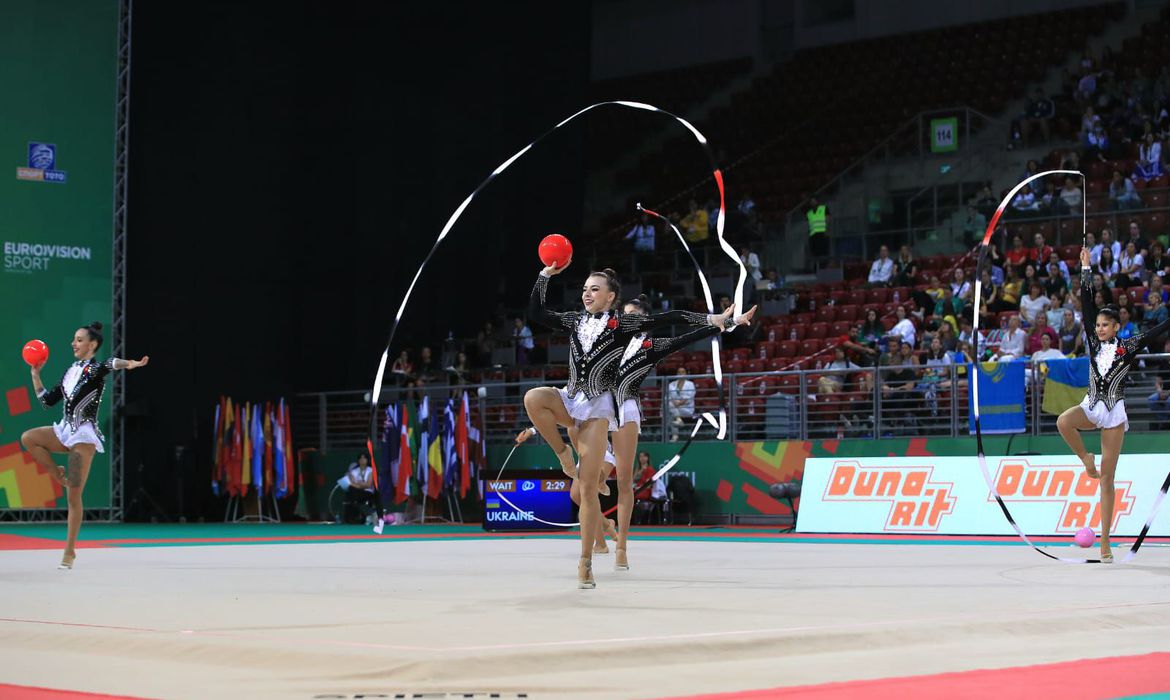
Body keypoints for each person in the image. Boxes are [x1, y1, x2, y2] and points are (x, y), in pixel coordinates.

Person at [524, 261, 750, 588]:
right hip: (570, 396)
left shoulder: (622, 325)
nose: (587, 293)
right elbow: (537, 313)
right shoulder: (574, 320)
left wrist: (715, 321)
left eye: (595, 289)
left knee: (587, 489)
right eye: (585, 288)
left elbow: (672, 318)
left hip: (601, 409)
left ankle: (588, 559)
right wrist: (544, 275)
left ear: (611, 296)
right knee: (533, 398)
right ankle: (562, 455)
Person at [1056, 248, 1170, 562]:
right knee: (1064, 421)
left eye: (1105, 326)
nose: (1099, 329)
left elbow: (1160, 330)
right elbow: (1086, 299)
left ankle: (1105, 541)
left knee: (1108, 479)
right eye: (1098, 326)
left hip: (1113, 415)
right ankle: (1085, 459)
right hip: (1091, 405)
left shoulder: (1129, 346)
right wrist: (1086, 267)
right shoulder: (1093, 342)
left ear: (1116, 327)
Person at [607, 294, 724, 569]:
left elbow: (686, 337)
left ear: (645, 322)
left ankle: (621, 546)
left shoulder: (649, 346)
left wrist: (722, 323)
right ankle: (598, 537)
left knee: (624, 481)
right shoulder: (609, 339)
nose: (627, 320)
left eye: (634, 316)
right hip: (595, 408)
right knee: (583, 487)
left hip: (624, 409)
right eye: (625, 315)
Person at [21, 322, 149, 569]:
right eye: (74, 339)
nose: (73, 343)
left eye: (79, 340)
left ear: (92, 345)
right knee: (29, 438)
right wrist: (35, 375)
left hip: (83, 437)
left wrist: (129, 364)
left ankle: (69, 551)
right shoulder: (71, 371)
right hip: (64, 431)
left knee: (73, 496)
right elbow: (47, 401)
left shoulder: (95, 369)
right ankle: (54, 472)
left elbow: (110, 364)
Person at [342, 452, 378, 524]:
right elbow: (351, 483)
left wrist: (357, 484)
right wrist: (360, 484)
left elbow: (368, 485)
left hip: (368, 493)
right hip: (356, 492)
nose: (362, 460)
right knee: (351, 491)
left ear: (367, 460)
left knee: (352, 492)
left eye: (364, 458)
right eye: (360, 458)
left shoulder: (371, 470)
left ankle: (365, 515)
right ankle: (354, 518)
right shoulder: (354, 471)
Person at [633, 451, 665, 525]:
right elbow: (633, 481)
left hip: (645, 491)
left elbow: (649, 484)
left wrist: (639, 488)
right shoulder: (636, 470)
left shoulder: (650, 469)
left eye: (644, 456)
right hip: (635, 489)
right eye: (640, 456)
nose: (642, 458)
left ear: (647, 458)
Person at [667, 367, 696, 441]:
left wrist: (679, 403)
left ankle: (675, 435)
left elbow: (690, 397)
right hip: (674, 407)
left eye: (683, 372)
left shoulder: (690, 384)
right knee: (669, 408)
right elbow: (667, 396)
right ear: (677, 374)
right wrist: (674, 403)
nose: (681, 374)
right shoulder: (672, 384)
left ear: (686, 374)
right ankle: (678, 421)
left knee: (670, 411)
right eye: (679, 372)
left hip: (687, 408)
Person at [1148, 338, 1170, 430]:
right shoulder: (1163, 363)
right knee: (1152, 399)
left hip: (1169, 393)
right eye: (1166, 345)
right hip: (1163, 391)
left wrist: (1168, 393)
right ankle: (1165, 421)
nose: (1167, 347)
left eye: (1168, 345)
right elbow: (1158, 380)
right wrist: (1159, 390)